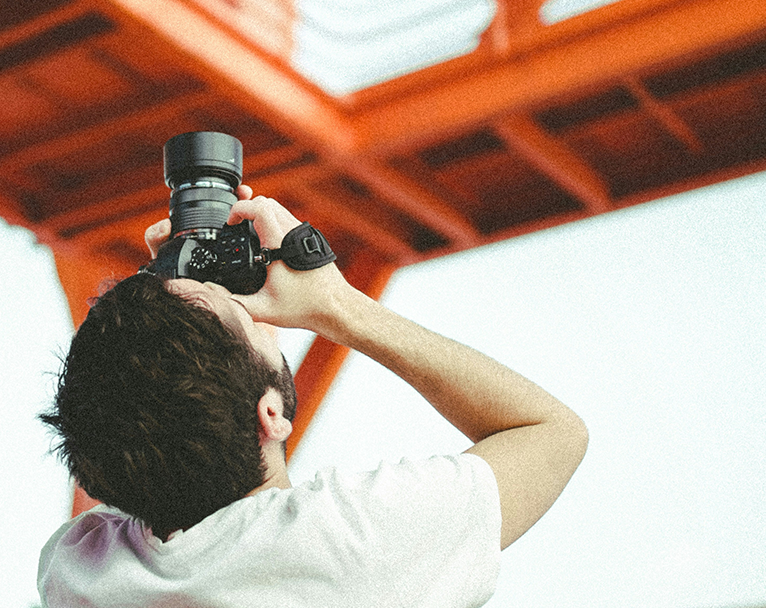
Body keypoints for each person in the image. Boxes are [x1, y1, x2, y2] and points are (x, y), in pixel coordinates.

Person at [37, 186, 588, 607]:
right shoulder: (348, 543)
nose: (259, 313)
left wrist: (157, 309)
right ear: (270, 413)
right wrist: (334, 302)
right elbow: (553, 432)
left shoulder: (77, 570)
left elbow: (127, 432)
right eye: (249, 320)